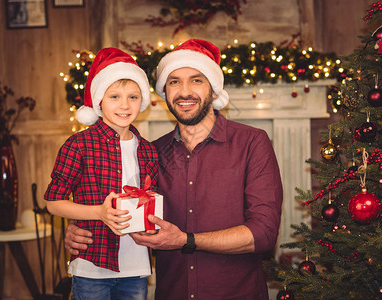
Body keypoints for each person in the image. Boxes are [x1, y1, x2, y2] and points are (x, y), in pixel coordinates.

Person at [64, 39, 283, 300]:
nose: (185, 92)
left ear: (213, 90)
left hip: (235, 293)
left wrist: (186, 240)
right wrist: (82, 227)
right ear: (164, 93)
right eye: (174, 82)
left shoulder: (251, 142)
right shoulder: (149, 152)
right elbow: (112, 205)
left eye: (197, 80)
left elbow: (264, 234)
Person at [44, 47, 158, 300]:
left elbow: (150, 201)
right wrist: (98, 212)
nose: (125, 105)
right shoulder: (79, 145)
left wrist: (152, 224)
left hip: (136, 267)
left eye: (133, 97)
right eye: (115, 96)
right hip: (92, 266)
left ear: (143, 102)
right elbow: (53, 202)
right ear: (99, 101)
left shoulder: (149, 151)